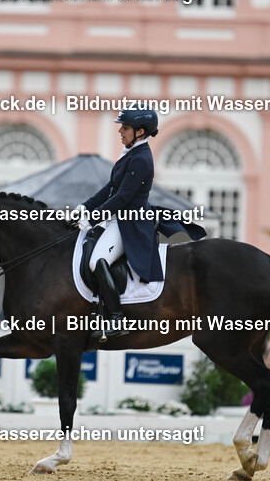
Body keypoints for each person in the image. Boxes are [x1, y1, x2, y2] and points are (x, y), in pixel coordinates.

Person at [71, 107, 205, 338]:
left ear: (140, 131)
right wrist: (85, 207)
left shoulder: (141, 158)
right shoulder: (130, 152)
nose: (120, 131)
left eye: (125, 128)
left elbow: (123, 197)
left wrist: (92, 218)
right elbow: (110, 189)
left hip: (131, 223)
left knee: (98, 260)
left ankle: (116, 318)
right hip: (118, 219)